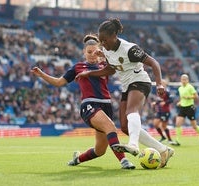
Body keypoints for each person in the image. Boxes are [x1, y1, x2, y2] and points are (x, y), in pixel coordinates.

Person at [75, 18, 174, 168]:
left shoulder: (130, 49)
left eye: (105, 40)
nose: (103, 44)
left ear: (114, 35)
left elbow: (154, 63)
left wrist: (159, 83)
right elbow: (111, 69)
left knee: (131, 111)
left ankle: (133, 145)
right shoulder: (106, 50)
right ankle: (163, 149)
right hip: (126, 86)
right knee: (124, 127)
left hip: (140, 81)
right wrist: (89, 73)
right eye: (100, 41)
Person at [30, 34, 135, 169]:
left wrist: (104, 55)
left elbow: (118, 66)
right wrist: (42, 74)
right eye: (89, 52)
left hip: (106, 106)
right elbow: (58, 82)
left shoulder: (106, 64)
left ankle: (77, 159)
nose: (92, 55)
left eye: (95, 52)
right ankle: (124, 161)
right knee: (111, 127)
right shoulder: (77, 67)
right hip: (89, 105)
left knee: (100, 150)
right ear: (84, 52)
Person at [172, 74, 199, 146]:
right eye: (182, 79)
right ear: (181, 80)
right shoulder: (180, 88)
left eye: (185, 79)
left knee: (194, 126)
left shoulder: (190, 87)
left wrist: (189, 97)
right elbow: (182, 98)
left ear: (187, 80)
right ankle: (177, 141)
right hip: (182, 107)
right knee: (178, 123)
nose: (183, 81)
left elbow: (196, 97)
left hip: (190, 107)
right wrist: (180, 102)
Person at [151, 79, 175, 144]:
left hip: (165, 111)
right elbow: (159, 101)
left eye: (162, 83)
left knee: (163, 126)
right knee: (155, 124)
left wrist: (165, 102)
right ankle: (163, 137)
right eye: (160, 83)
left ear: (165, 85)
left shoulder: (167, 92)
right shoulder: (158, 92)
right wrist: (155, 103)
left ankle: (170, 139)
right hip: (159, 111)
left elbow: (171, 100)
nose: (161, 85)